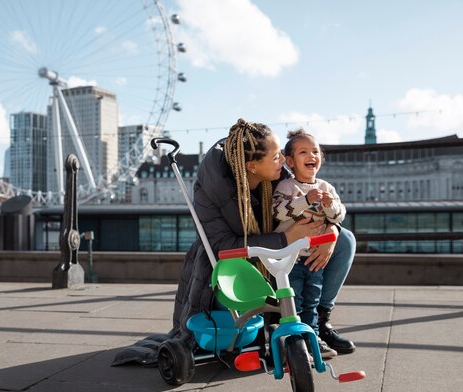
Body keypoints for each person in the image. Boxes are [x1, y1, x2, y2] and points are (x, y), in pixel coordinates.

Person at [112, 118, 354, 367]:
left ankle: (319, 322)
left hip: (274, 257)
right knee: (236, 319)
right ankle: (279, 324)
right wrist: (285, 238)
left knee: (345, 240)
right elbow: (223, 247)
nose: (282, 160)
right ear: (251, 165)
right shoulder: (212, 188)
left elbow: (310, 206)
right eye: (275, 157)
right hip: (228, 270)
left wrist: (332, 229)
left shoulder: (277, 173)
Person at [273, 128, 348, 358]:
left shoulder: (327, 188)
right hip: (291, 259)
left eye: (315, 151)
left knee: (312, 302)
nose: (311, 156)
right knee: (293, 299)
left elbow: (339, 216)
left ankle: (313, 337)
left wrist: (329, 206)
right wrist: (304, 200)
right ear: (290, 162)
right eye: (303, 152)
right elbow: (279, 212)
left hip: (314, 258)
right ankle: (293, 342)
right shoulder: (286, 187)